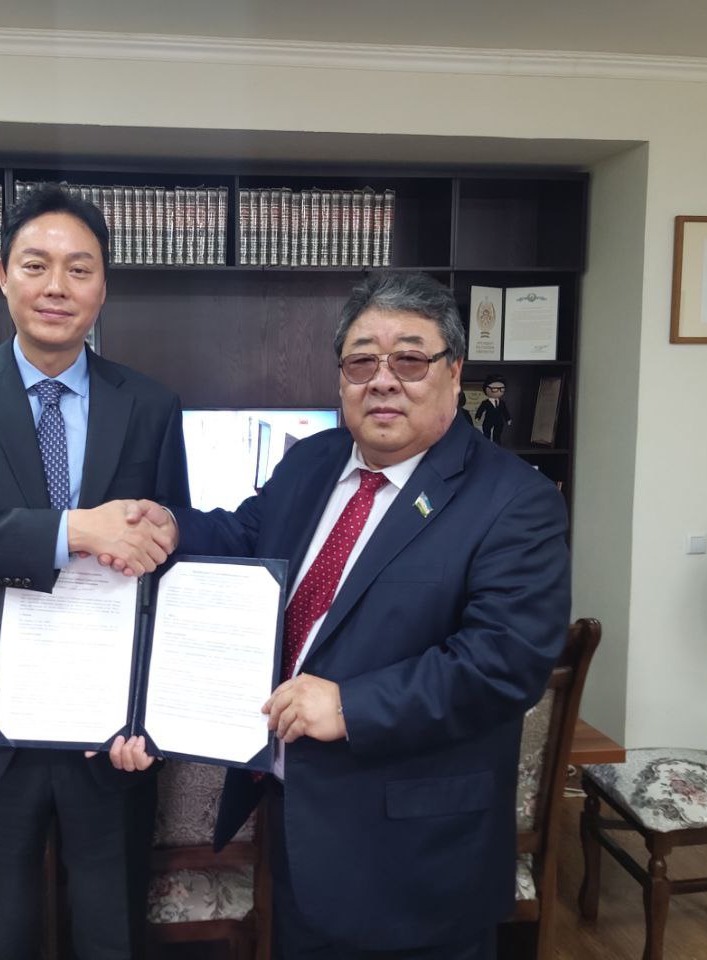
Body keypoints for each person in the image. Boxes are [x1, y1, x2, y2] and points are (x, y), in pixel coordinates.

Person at [120, 271, 570, 959]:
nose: (383, 380)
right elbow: (249, 535)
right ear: (341, 378)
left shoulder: (515, 501)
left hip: (417, 858)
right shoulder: (313, 460)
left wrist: (351, 706)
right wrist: (173, 527)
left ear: (454, 373)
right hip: (301, 829)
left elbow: (502, 663)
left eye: (409, 359)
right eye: (362, 361)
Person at [0, 184, 190, 960]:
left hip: (108, 725)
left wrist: (151, 705)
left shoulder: (150, 405)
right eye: (36, 265)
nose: (57, 286)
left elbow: (168, 569)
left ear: (102, 287)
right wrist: (72, 530)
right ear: (3, 276)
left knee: (111, 929)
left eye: (79, 269)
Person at [474, 373, 512, 445]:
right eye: (495, 389)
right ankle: (486, 444)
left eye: (501, 389)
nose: (498, 391)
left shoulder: (502, 403)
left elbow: (505, 411)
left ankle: (496, 444)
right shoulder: (485, 402)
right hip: (488, 420)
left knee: (497, 434)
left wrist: (508, 419)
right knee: (486, 433)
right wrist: (478, 417)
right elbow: (480, 410)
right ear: (486, 389)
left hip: (499, 421)